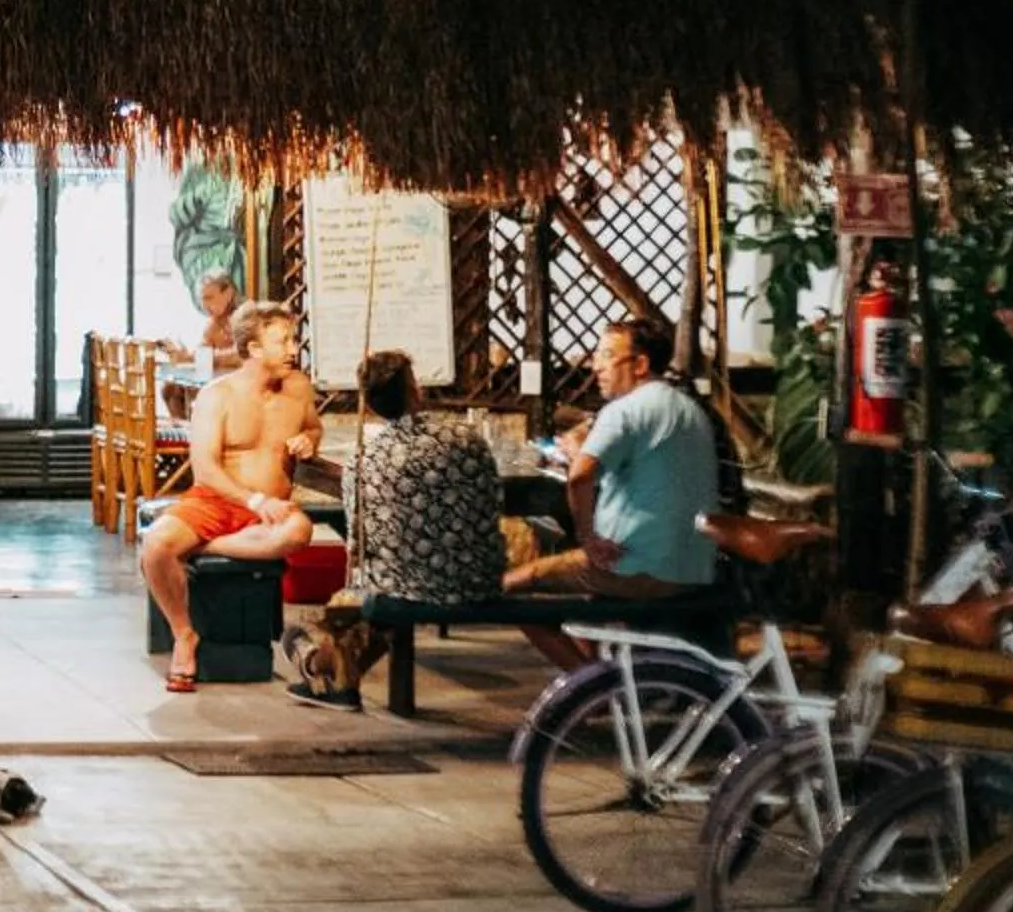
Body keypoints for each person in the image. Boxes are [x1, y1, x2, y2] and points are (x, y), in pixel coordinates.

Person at [502, 316, 723, 669]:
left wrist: (588, 538)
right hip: (693, 565)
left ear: (640, 364)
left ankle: (590, 685)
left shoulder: (624, 410)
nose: (596, 366)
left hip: (637, 566)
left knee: (511, 585)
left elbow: (579, 478)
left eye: (607, 355)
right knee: (579, 583)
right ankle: (598, 679)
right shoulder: (688, 409)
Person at [291, 350, 505, 709]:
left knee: (364, 594)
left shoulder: (366, 460)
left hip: (405, 587)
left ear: (371, 404)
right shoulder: (467, 439)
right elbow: (493, 502)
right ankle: (326, 671)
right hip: (477, 578)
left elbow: (357, 542)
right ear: (415, 390)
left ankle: (327, 671)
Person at [139, 302, 321, 692]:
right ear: (254, 349)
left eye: (292, 339)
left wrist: (308, 440)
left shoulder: (299, 388)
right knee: (155, 547)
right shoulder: (216, 396)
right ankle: (184, 635)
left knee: (299, 532)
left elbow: (313, 427)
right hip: (218, 501)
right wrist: (254, 501)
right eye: (282, 341)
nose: (293, 348)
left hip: (268, 515)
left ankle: (200, 547)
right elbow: (205, 469)